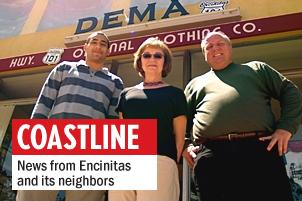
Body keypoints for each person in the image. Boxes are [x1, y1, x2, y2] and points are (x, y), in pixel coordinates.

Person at [182, 31, 302, 201]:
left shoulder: (256, 69)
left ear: (230, 48)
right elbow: (181, 119)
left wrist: (286, 127)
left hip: (259, 150)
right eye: (209, 46)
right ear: (204, 55)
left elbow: (290, 93)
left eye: (220, 44)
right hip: (212, 156)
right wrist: (186, 144)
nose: (215, 48)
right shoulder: (194, 84)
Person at [16, 31, 124, 201]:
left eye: (103, 44)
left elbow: (112, 121)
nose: (98, 46)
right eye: (94, 42)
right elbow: (43, 104)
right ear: (85, 47)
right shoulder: (64, 68)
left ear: (108, 51)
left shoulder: (115, 82)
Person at [109, 37, 187, 201]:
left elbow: (180, 138)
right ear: (140, 61)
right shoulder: (126, 94)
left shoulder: (175, 94)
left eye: (158, 56)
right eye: (147, 55)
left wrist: (170, 161)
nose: (152, 59)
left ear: (165, 62)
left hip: (160, 161)